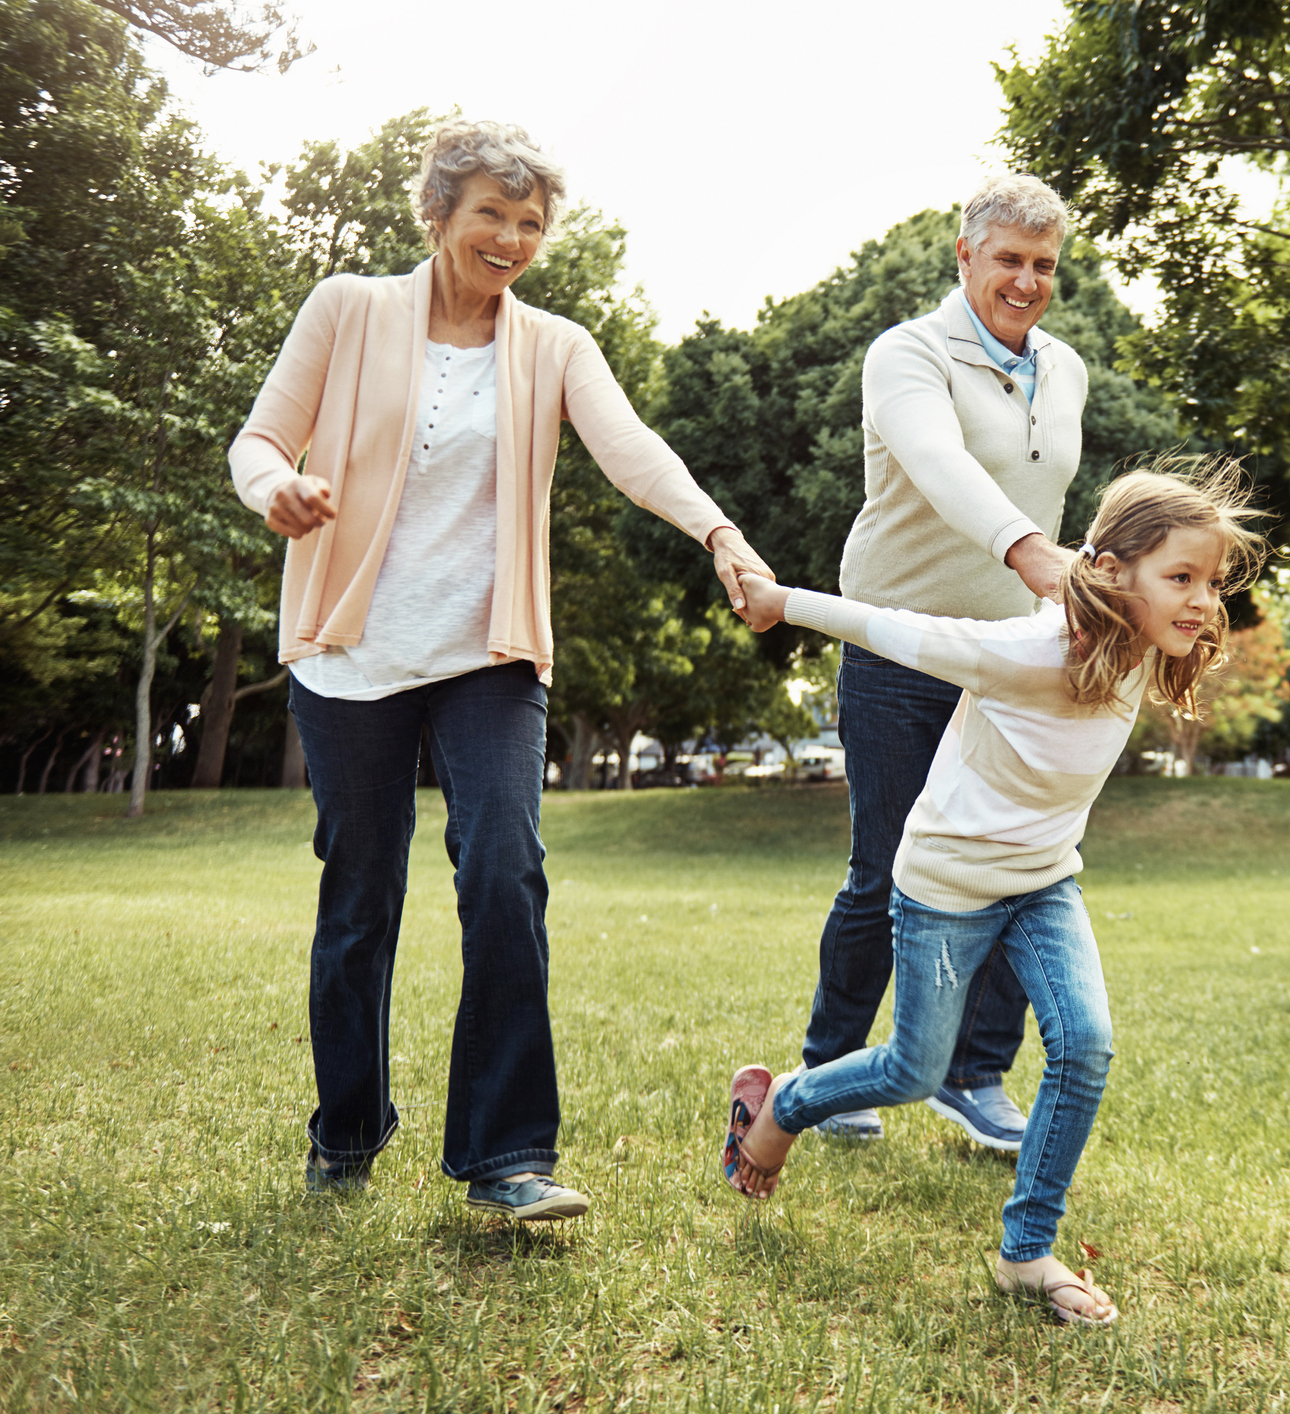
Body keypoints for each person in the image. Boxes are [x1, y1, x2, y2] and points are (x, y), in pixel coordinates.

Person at [226, 120, 773, 1220]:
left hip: (487, 652)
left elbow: (630, 448)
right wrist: (273, 489)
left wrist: (719, 532)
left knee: (506, 877)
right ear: (437, 214)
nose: (512, 238)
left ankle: (505, 1157)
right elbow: (258, 440)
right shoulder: (346, 307)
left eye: (530, 223)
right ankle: (345, 1134)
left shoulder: (554, 345)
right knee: (360, 899)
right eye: (490, 214)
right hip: (353, 652)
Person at [720, 459, 1270, 1325]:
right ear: (1111, 573)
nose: (1201, 601)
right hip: (947, 888)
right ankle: (784, 1101)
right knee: (912, 1071)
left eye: (1208, 581)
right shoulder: (1024, 651)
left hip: (1045, 882)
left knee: (1084, 1047)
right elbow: (891, 629)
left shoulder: (1143, 650)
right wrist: (777, 599)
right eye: (1180, 578)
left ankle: (1026, 1254)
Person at [741, 173, 1091, 1150]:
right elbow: (941, 468)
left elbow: (1057, 501)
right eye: (1009, 260)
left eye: (1043, 266)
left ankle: (974, 1076)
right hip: (896, 641)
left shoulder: (1064, 370)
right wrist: (1029, 553)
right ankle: (831, 1066)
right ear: (965, 256)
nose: (1025, 281)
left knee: (1014, 860)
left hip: (1010, 658)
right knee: (885, 865)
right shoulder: (906, 356)